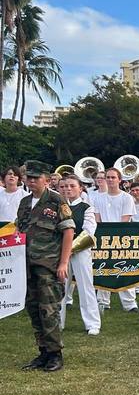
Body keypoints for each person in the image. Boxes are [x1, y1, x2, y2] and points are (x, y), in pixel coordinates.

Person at [15, 159, 75, 372]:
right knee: (33, 308)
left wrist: (64, 262)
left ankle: (55, 353)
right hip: (27, 265)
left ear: (46, 180)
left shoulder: (56, 200)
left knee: (49, 310)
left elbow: (68, 231)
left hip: (48, 265)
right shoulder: (24, 202)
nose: (31, 181)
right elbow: (18, 231)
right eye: (28, 177)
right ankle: (43, 352)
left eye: (35, 178)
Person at [58, 174, 101, 336]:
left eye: (71, 186)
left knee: (85, 286)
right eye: (64, 186)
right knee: (60, 287)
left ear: (80, 188)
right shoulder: (57, 206)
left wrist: (69, 250)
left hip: (81, 251)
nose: (67, 189)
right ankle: (57, 322)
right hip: (59, 252)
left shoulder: (86, 208)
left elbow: (89, 232)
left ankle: (92, 323)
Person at [94, 166, 138, 313]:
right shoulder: (98, 198)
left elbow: (125, 219)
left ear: (119, 180)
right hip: (103, 238)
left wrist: (115, 234)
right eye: (108, 177)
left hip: (122, 237)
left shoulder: (127, 198)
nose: (110, 180)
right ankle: (103, 302)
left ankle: (129, 303)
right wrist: (102, 233)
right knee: (103, 268)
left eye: (113, 177)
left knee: (124, 269)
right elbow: (97, 219)